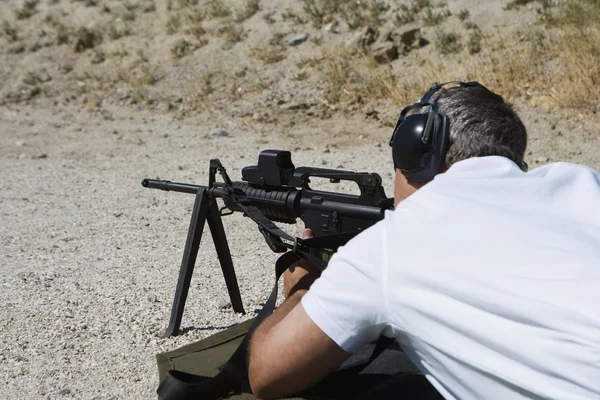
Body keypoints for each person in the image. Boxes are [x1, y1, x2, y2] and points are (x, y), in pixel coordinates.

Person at [247, 82, 600, 400]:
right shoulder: (581, 183)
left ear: (413, 152)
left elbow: (266, 375)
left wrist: (302, 289)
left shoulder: (390, 245)